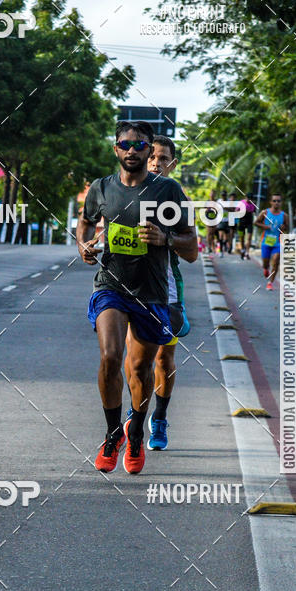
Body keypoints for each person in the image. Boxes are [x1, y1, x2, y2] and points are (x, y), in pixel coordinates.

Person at [77, 120, 193, 475]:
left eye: (139, 146)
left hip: (152, 293)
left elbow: (191, 248)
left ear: (148, 151)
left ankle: (137, 432)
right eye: (125, 144)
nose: (132, 151)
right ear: (116, 149)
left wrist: (166, 240)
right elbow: (85, 223)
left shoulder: (168, 191)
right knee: (111, 357)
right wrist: (83, 243)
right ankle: (113, 435)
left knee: (140, 369)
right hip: (110, 286)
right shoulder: (101, 189)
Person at [123, 135, 198, 450]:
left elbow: (192, 251)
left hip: (165, 291)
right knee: (134, 357)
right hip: (127, 287)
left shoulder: (176, 198)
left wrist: (165, 238)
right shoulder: (124, 191)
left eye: (163, 158)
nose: (156, 163)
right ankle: (135, 408)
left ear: (173, 164)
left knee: (164, 357)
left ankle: (160, 418)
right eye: (151, 156)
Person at [254, 193, 288, 289]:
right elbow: (255, 223)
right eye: (274, 201)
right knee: (266, 263)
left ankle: (270, 283)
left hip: (277, 242)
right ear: (271, 202)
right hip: (266, 242)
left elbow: (286, 227)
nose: (276, 203)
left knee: (276, 260)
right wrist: (265, 226)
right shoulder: (265, 213)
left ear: (281, 203)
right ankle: (266, 269)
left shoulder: (284, 215)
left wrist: (283, 227)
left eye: (278, 201)